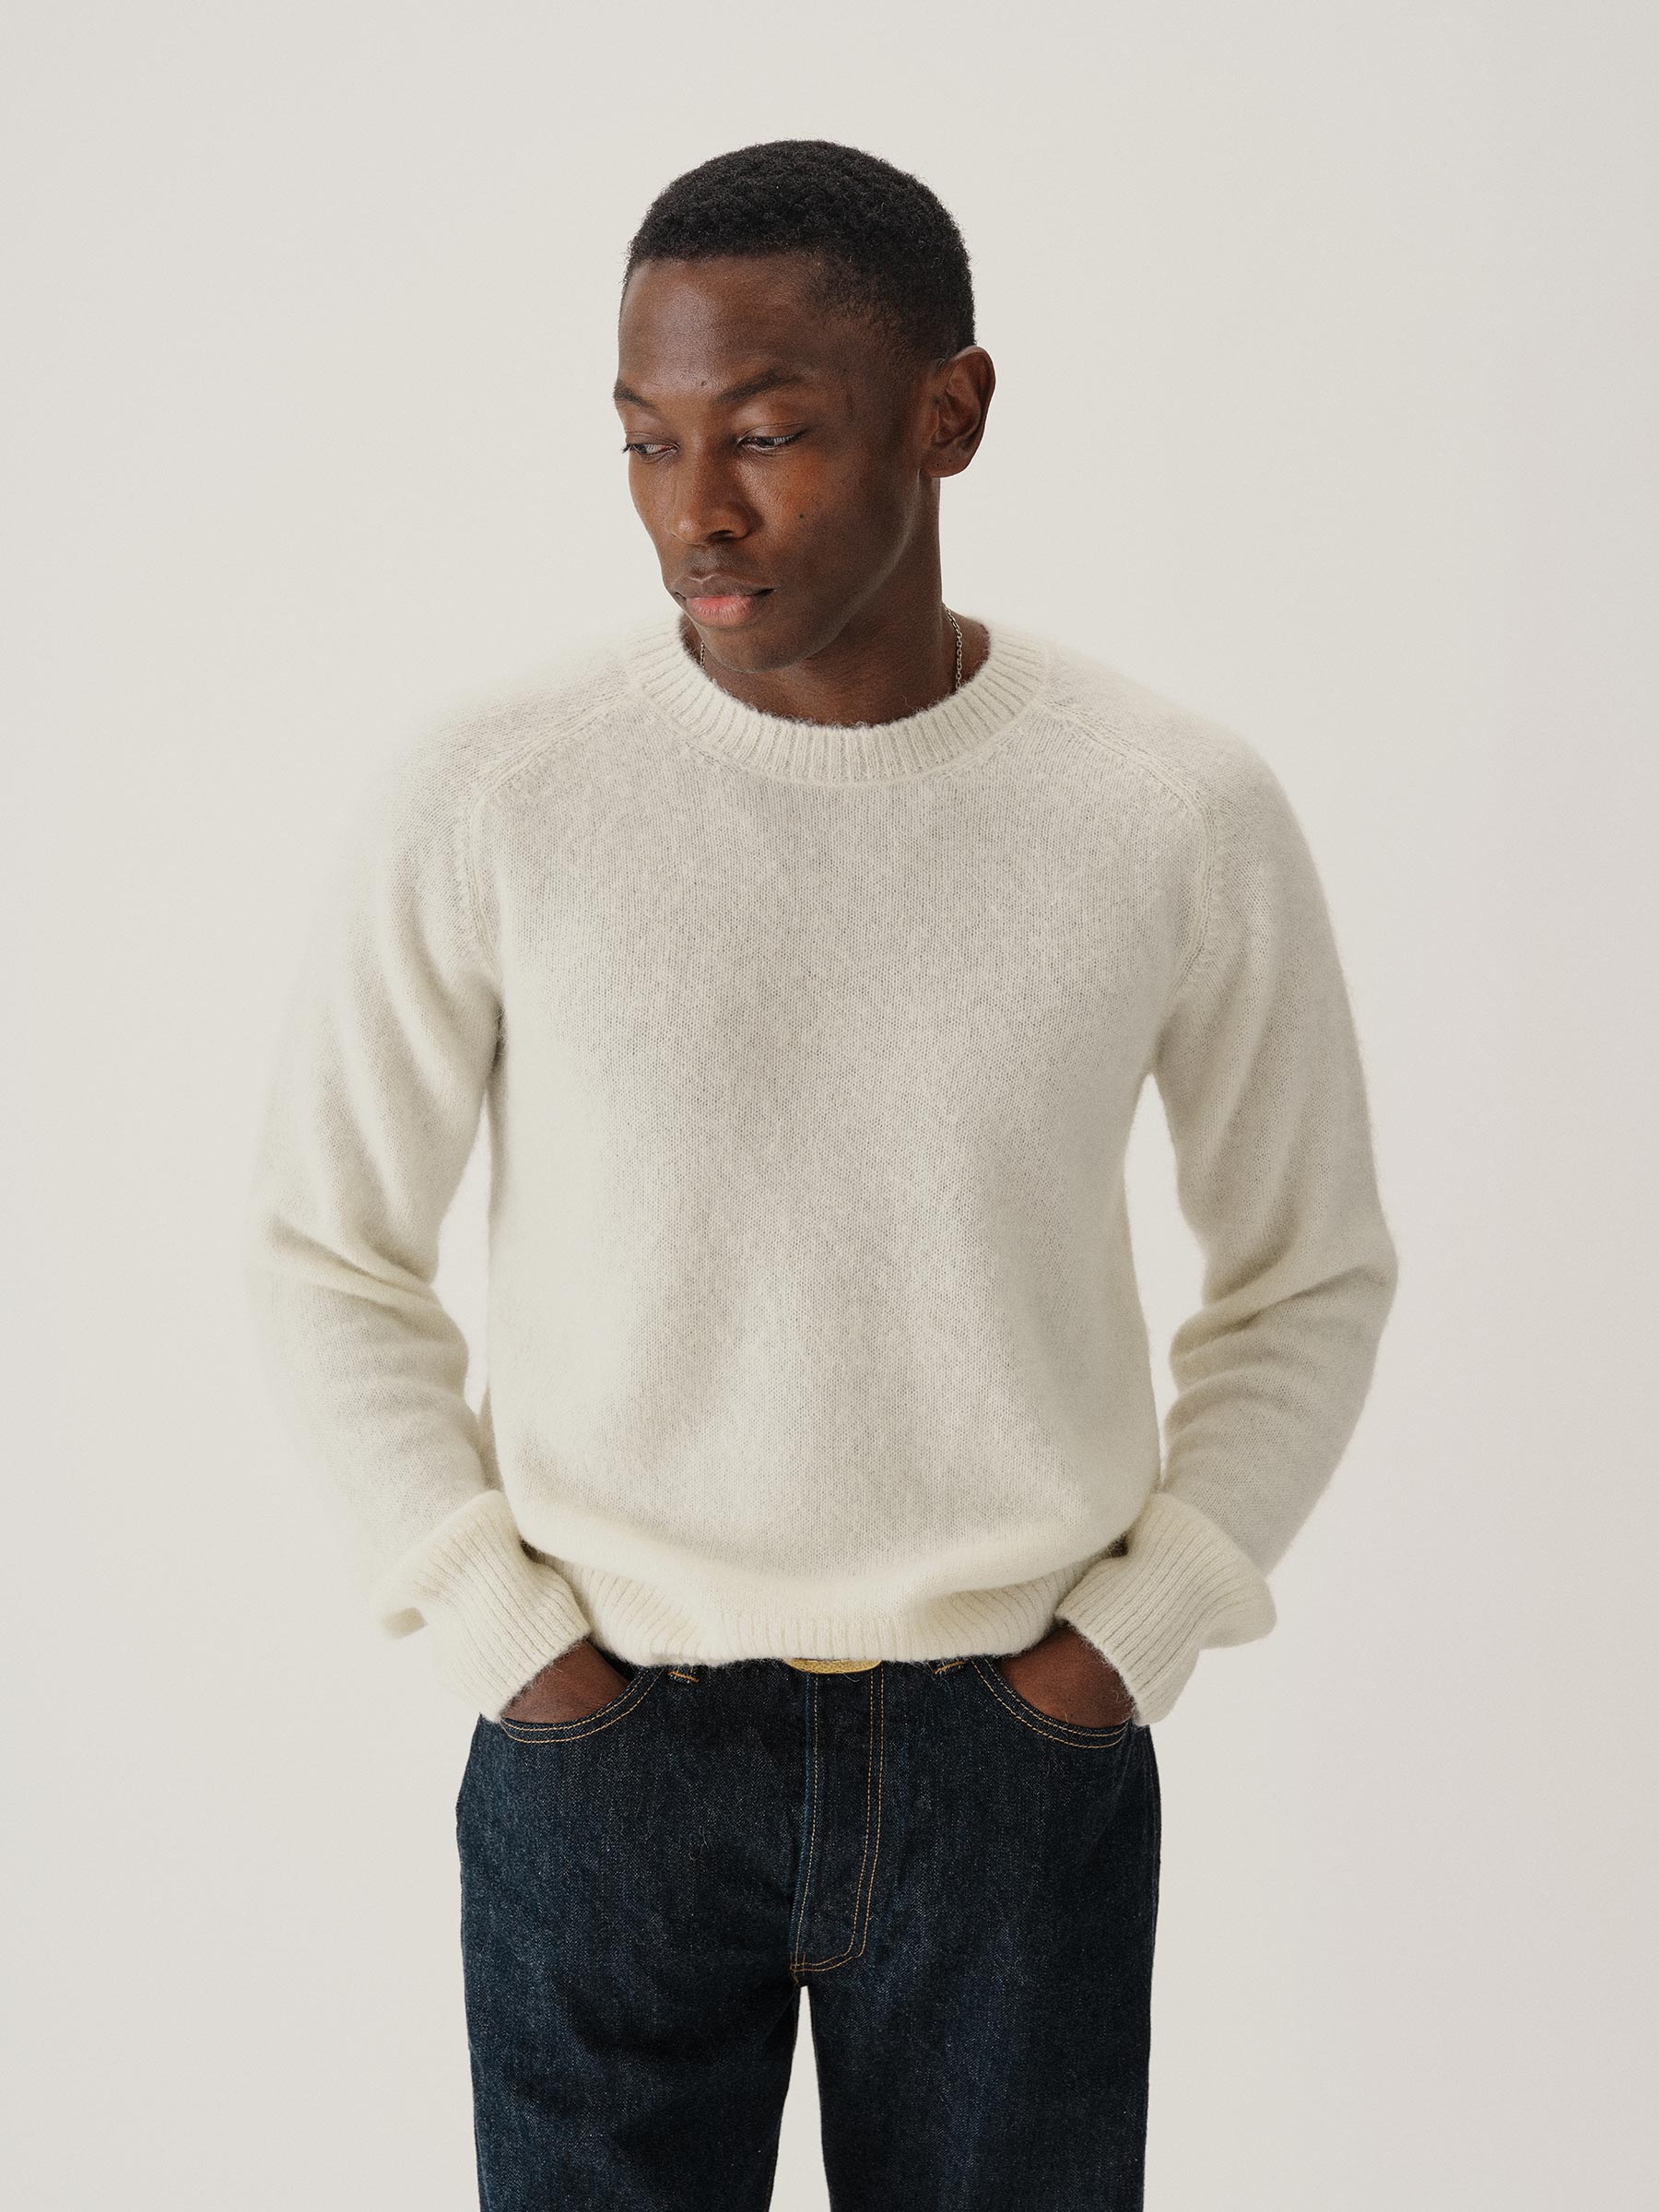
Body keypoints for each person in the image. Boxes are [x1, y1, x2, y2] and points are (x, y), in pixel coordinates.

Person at [244, 137, 1399, 2212]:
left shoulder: (1171, 810)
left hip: (1014, 1756)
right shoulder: (496, 797)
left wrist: (1128, 1642)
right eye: (647, 438)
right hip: (605, 1744)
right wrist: (499, 1630)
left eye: (767, 434)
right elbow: (327, 1254)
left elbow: (1307, 1275)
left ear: (950, 413)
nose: (696, 506)